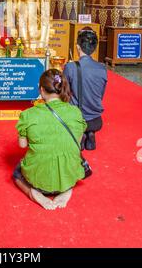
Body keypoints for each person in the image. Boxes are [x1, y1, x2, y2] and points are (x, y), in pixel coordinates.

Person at [13, 69, 87, 210]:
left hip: (38, 181)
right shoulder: (76, 112)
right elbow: (76, 142)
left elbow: (22, 145)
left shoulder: (29, 114)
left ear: (41, 89)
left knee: (17, 172)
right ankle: (67, 189)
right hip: (67, 176)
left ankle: (32, 192)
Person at [64, 28, 107, 150]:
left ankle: (81, 134)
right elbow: (100, 94)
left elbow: (64, 92)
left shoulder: (71, 67)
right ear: (94, 48)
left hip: (77, 119)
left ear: (78, 47)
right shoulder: (102, 68)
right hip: (96, 119)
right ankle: (90, 133)